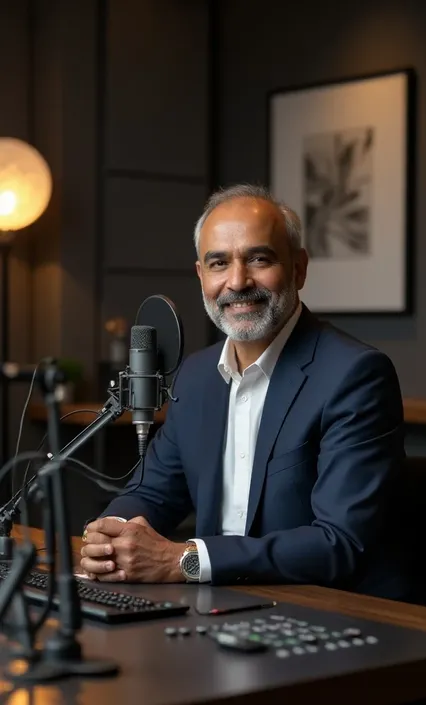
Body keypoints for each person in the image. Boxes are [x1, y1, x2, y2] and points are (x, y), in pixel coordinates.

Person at [80, 183, 408, 599]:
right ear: (201, 275)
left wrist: (183, 560)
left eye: (259, 258)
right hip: (222, 604)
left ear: (299, 268)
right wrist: (110, 540)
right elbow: (152, 492)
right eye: (219, 263)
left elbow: (340, 543)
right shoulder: (197, 376)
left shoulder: (355, 375)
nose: (237, 281)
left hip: (333, 611)